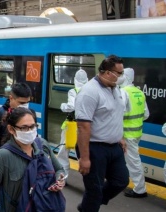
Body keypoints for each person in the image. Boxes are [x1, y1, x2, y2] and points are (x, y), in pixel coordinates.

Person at [0, 107, 66, 212]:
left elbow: (59, 169)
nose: (30, 131)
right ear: (11, 129)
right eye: (24, 128)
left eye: (33, 126)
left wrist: (59, 180)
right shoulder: (3, 156)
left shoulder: (43, 145)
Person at [75, 55, 130, 212]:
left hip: (114, 147)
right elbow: (83, 126)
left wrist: (120, 137)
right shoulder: (89, 92)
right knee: (94, 189)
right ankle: (91, 204)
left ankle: (88, 205)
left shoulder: (115, 88)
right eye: (119, 73)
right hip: (94, 148)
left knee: (121, 181)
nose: (121, 77)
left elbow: (115, 115)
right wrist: (84, 158)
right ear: (107, 72)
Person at [120, 68, 150, 198]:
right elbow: (146, 114)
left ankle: (140, 190)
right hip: (137, 132)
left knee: (133, 161)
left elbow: (118, 114)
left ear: (125, 77)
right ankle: (120, 181)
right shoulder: (139, 92)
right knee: (126, 160)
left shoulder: (123, 92)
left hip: (127, 135)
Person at [0, 82, 32, 159]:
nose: (25, 106)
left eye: (28, 102)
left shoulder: (30, 115)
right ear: (11, 98)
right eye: (22, 103)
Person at [57, 69, 88, 177]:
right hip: (86, 126)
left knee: (63, 152)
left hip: (72, 126)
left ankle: (63, 177)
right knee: (82, 152)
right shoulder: (90, 90)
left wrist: (62, 106)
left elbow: (71, 106)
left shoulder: (73, 91)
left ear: (75, 79)